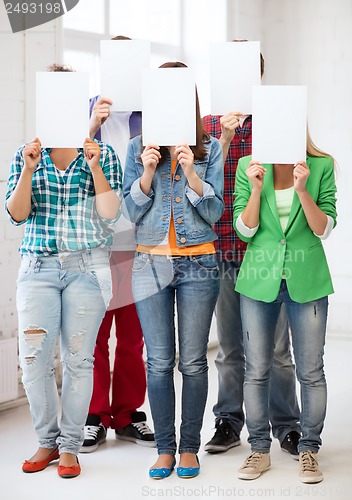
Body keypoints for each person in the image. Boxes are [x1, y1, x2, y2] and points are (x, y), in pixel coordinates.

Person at [123, 61, 224, 479]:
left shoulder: (210, 148)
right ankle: (165, 448)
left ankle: (188, 448)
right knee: (159, 361)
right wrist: (148, 172)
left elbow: (216, 212)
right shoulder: (135, 148)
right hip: (149, 263)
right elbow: (130, 211)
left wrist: (190, 173)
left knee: (194, 362)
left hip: (199, 262)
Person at [202, 43, 301, 459]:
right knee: (229, 348)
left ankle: (288, 425)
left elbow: (290, 182)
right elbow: (204, 184)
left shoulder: (276, 120)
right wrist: (222, 136)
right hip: (224, 248)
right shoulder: (205, 125)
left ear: (258, 77)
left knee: (278, 350)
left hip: (265, 255)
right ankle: (228, 421)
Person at [5, 128, 122, 478]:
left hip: (87, 267)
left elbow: (112, 214)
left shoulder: (102, 153)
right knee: (34, 362)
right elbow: (16, 214)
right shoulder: (27, 154)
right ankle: (47, 441)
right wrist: (28, 169)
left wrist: (96, 167)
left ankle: (70, 446)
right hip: (37, 267)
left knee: (78, 360)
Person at [234, 132, 337, 483]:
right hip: (258, 280)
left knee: (310, 370)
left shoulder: (320, 166)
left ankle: (309, 449)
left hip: (306, 280)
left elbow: (323, 229)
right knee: (257, 368)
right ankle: (259, 449)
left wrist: (303, 190)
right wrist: (258, 189)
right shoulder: (249, 167)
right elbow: (245, 230)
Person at [80, 35, 155, 453]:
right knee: (93, 333)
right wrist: (88, 127)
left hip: (135, 241)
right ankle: (93, 415)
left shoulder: (153, 116)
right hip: (92, 242)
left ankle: (127, 414)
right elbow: (65, 170)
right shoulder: (86, 109)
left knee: (132, 336)